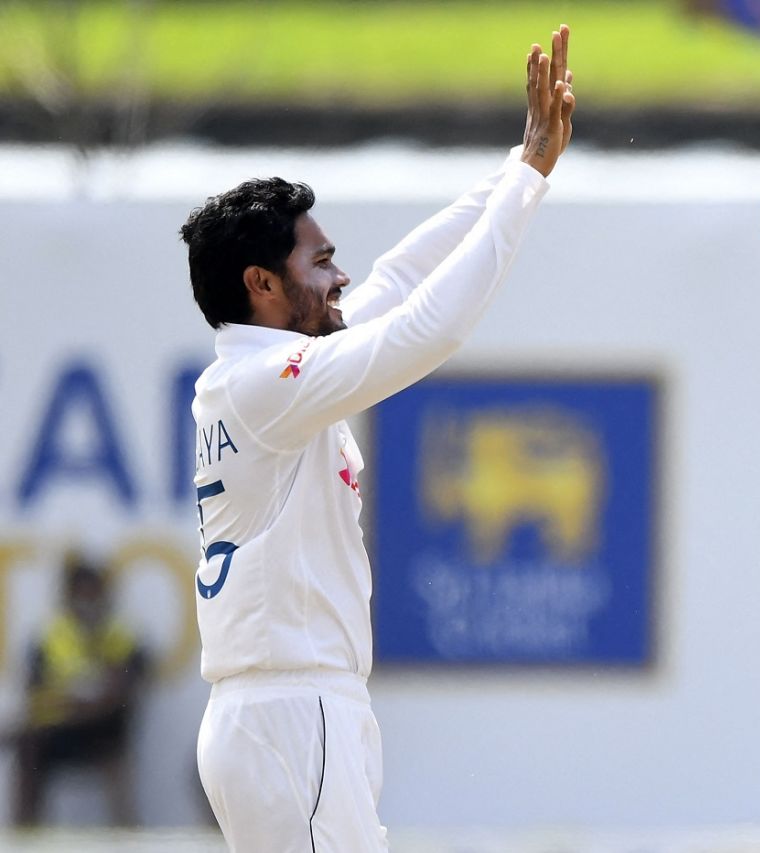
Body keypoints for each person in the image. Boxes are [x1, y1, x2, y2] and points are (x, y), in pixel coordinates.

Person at [179, 26, 574, 852]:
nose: (340, 276)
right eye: (320, 261)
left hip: (287, 709)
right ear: (261, 284)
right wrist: (527, 183)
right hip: (293, 710)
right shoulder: (268, 380)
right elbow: (428, 326)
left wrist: (519, 166)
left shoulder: (258, 373)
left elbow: (398, 278)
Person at [11, 555, 147, 828]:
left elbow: (123, 694)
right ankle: (24, 835)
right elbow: (34, 694)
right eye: (80, 593)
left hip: (105, 731)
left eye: (92, 593)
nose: (86, 601)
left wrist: (74, 704)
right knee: (28, 745)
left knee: (113, 733)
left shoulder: (120, 635)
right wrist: (82, 703)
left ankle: (128, 837)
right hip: (60, 730)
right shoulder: (50, 636)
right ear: (67, 595)